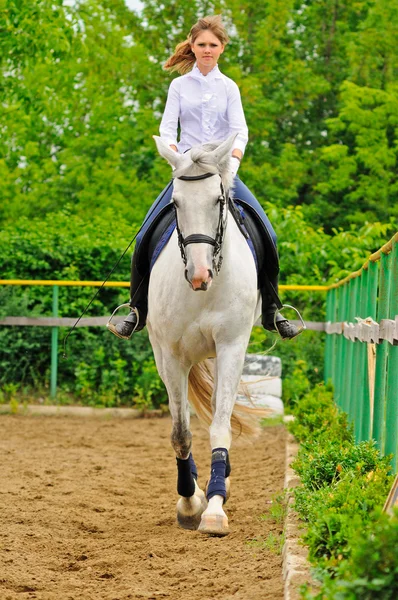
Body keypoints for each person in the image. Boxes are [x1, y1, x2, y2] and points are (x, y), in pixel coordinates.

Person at [108, 15, 299, 341]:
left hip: (223, 173)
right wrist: (177, 161)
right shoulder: (179, 86)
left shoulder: (230, 88)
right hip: (186, 175)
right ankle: (136, 311)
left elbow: (240, 133)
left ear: (222, 47)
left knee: (268, 232)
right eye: (201, 45)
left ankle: (272, 310)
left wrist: (231, 170)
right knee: (143, 237)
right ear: (192, 47)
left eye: (213, 45)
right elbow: (168, 130)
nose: (207, 50)